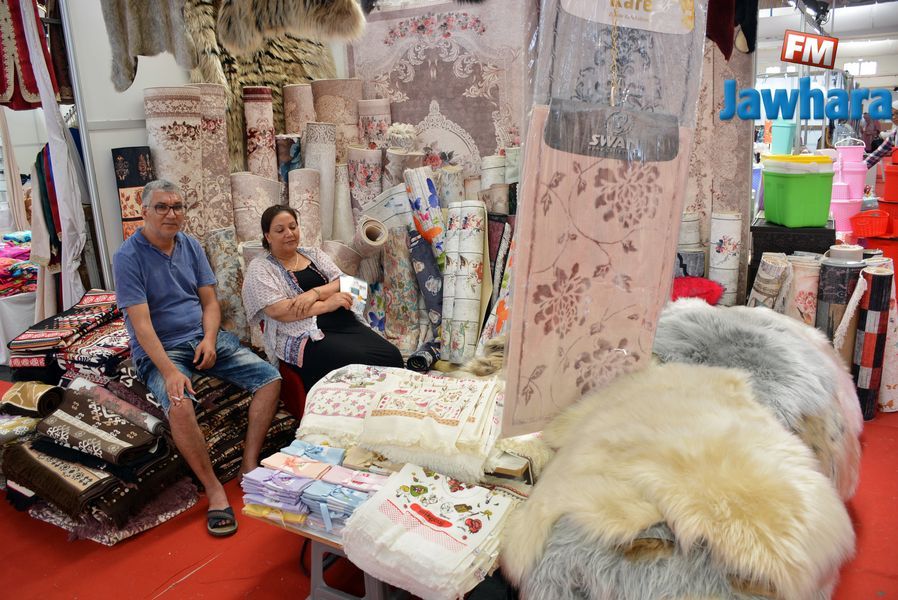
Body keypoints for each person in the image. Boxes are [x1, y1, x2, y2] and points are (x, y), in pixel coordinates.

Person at [113, 179, 281, 538]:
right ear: (144, 211)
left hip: (201, 337)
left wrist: (208, 339)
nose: (171, 214)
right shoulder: (128, 257)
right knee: (179, 403)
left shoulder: (189, 245)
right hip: (162, 347)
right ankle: (214, 489)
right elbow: (141, 326)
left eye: (177, 207)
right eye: (162, 207)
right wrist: (169, 371)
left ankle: (249, 464)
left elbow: (209, 303)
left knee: (270, 378)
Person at [242, 205, 404, 391]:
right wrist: (328, 304)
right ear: (268, 236)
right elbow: (278, 310)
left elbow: (342, 281)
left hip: (345, 323)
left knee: (392, 356)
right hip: (305, 335)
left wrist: (314, 294)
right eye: (280, 230)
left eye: (293, 227)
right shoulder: (261, 267)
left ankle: (387, 404)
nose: (289, 233)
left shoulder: (313, 254)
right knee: (358, 363)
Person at [865, 100, 898, 171]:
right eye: (892, 114)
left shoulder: (875, 122)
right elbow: (879, 152)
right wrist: (862, 166)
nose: (894, 117)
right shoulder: (895, 133)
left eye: (897, 113)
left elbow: (878, 130)